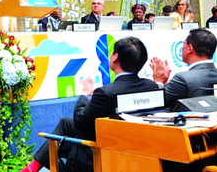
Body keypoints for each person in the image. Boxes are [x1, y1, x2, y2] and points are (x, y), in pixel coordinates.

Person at [20, 37, 158, 172]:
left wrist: (85, 95)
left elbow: (80, 122)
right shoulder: (152, 87)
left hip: (103, 150)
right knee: (66, 123)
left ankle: (33, 168)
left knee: (70, 135)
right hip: (140, 148)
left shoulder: (105, 93)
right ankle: (33, 167)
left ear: (115, 57)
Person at [149, 29, 217, 109]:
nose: (182, 48)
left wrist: (159, 82)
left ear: (190, 48)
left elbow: (157, 103)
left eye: (183, 44)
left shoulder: (182, 79)